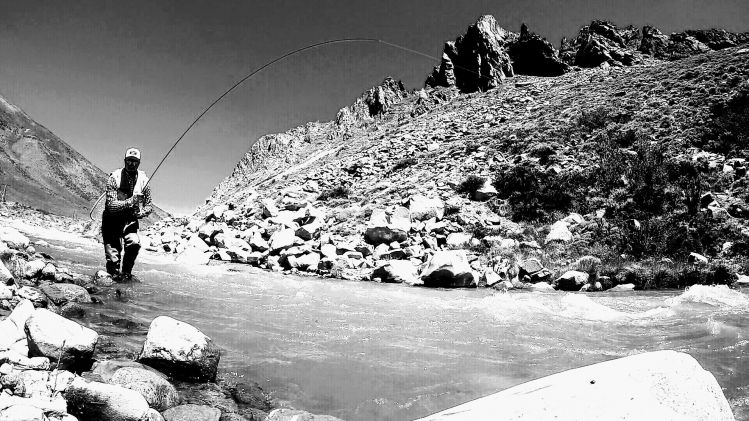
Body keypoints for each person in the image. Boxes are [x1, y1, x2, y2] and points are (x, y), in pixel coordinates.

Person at [102, 147, 152, 281]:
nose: (132, 164)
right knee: (113, 258)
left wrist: (142, 212)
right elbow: (111, 206)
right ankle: (113, 278)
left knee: (134, 243)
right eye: (129, 160)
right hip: (111, 220)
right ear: (125, 161)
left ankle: (126, 275)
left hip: (130, 220)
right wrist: (130, 202)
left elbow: (149, 205)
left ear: (139, 163)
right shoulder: (114, 178)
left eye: (135, 161)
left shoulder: (144, 181)